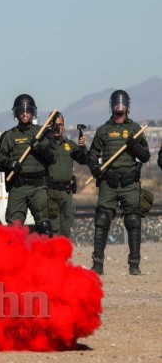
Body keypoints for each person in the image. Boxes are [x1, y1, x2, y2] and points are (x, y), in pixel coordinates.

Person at [86, 90, 150, 275]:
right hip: (109, 183)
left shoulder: (135, 129)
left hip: (129, 184)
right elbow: (92, 155)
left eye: (122, 103)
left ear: (127, 106)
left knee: (133, 220)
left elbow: (145, 156)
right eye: (116, 103)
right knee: (102, 219)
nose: (119, 106)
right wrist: (95, 168)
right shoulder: (103, 130)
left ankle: (134, 264)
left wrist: (134, 146)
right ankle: (97, 263)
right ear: (111, 105)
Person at [0, 94, 55, 237]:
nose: (25, 114)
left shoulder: (42, 133)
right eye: (21, 111)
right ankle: (16, 259)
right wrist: (10, 164)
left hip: (38, 187)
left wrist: (39, 147)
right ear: (16, 113)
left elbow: (52, 157)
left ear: (33, 113)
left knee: (45, 227)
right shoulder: (9, 136)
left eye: (28, 111)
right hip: (17, 187)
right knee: (13, 230)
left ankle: (46, 259)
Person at [47, 112, 88, 238]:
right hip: (51, 192)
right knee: (53, 230)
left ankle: (63, 257)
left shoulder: (69, 145)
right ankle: (52, 257)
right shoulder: (44, 144)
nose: (58, 127)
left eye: (60, 124)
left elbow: (84, 159)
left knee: (65, 229)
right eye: (55, 124)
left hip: (67, 192)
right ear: (49, 125)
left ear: (63, 126)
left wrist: (82, 147)